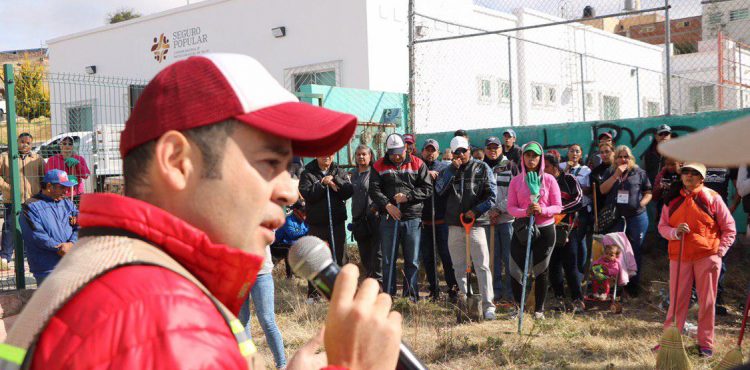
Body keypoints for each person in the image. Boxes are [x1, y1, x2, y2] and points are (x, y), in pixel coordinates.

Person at [7, 54, 402, 370]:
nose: (289, 189)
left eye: (292, 168)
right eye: (269, 162)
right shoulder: (164, 323)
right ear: (178, 162)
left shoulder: (121, 275)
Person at [656, 163, 736, 358]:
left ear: (702, 177)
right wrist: (674, 232)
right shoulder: (672, 198)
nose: (689, 176)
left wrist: (720, 251)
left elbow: (729, 228)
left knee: (707, 303)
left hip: (707, 257)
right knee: (676, 302)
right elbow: (662, 226)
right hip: (679, 256)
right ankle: (669, 342)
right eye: (686, 172)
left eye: (694, 173)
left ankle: (705, 345)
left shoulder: (712, 198)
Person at [435, 135, 497, 320]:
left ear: (469, 149)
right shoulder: (448, 170)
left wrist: (475, 211)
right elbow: (439, 190)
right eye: (457, 152)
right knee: (459, 267)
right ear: (452, 153)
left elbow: (491, 196)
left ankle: (488, 306)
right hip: (454, 225)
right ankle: (468, 302)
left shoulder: (482, 167)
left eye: (464, 150)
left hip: (475, 224)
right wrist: (452, 170)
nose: (461, 154)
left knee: (482, 266)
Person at [370, 133, 432, 300]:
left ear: (405, 148)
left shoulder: (418, 163)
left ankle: (410, 296)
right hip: (389, 218)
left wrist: (408, 197)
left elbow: (427, 188)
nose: (396, 157)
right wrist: (388, 205)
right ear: (387, 151)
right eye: (392, 153)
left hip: (412, 217)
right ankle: (388, 295)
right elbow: (374, 189)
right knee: (388, 259)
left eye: (399, 152)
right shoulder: (378, 165)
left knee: (412, 260)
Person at [507, 142, 562, 320]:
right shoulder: (516, 181)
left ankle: (538, 310)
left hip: (545, 228)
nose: (531, 159)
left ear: (541, 158)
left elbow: (558, 206)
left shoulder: (549, 179)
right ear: (522, 157)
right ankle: (518, 308)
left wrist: (542, 210)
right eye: (528, 155)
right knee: (515, 269)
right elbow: (511, 208)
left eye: (535, 156)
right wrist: (526, 211)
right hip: (523, 228)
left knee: (541, 270)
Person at [599, 145, 652, 296]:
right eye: (620, 157)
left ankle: (633, 286)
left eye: (626, 156)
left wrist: (641, 203)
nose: (623, 159)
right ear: (615, 159)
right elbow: (602, 190)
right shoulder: (610, 172)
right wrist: (616, 174)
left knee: (634, 250)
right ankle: (617, 286)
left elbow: (649, 192)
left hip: (637, 217)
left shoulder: (639, 173)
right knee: (615, 251)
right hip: (616, 218)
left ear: (631, 158)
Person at [299, 154, 353, 301]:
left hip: (336, 223)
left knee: (340, 258)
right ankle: (314, 294)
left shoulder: (338, 170)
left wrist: (334, 180)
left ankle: (341, 293)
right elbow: (307, 194)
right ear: (317, 156)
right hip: (317, 223)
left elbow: (348, 191)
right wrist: (322, 183)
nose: (327, 157)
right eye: (323, 154)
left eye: (330, 154)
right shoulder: (307, 172)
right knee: (314, 258)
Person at [19, 169, 79, 285]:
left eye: (67, 187)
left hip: (71, 263)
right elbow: (36, 236)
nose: (66, 191)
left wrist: (72, 243)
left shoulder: (68, 203)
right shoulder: (30, 207)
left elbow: (80, 224)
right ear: (49, 186)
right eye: (62, 187)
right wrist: (60, 248)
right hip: (47, 268)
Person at [543, 154, 585, 312]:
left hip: (568, 229)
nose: (543, 170)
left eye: (546, 166)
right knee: (553, 265)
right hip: (548, 229)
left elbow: (579, 200)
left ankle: (577, 299)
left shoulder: (569, 180)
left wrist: (558, 210)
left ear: (555, 167)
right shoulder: (542, 182)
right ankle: (559, 298)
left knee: (570, 265)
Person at [419, 139, 457, 301]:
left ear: (438, 152)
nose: (430, 153)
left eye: (433, 150)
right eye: (427, 150)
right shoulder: (418, 167)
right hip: (424, 222)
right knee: (428, 258)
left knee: (446, 257)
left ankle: (452, 288)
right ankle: (434, 290)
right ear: (422, 152)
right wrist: (426, 175)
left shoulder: (444, 168)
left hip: (442, 222)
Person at [0, 132, 45, 270]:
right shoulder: (5, 157)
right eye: (22, 141)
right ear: (17, 141)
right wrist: (8, 188)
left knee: (30, 227)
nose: (25, 145)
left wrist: (39, 194)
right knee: (9, 228)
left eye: (28, 143)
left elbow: (43, 177)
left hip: (32, 199)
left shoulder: (37, 159)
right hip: (12, 199)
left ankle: (26, 255)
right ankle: (5, 257)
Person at [238, 245, 286, 369]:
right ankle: (249, 364)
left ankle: (282, 365)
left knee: (267, 321)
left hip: (261, 274)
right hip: (237, 274)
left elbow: (271, 235)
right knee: (241, 323)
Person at [484, 136, 515, 303]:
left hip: (507, 220)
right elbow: (480, 193)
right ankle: (495, 291)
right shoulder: (481, 167)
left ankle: (510, 293)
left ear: (501, 149)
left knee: (509, 258)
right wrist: (490, 212)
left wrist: (498, 209)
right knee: (492, 259)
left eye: (495, 147)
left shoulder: (510, 166)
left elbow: (514, 192)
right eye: (489, 148)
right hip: (488, 220)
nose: (492, 150)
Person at [350, 144, 382, 283]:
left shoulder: (376, 172)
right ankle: (370, 282)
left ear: (370, 156)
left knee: (377, 254)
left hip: (374, 219)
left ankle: (379, 283)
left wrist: (375, 207)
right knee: (364, 254)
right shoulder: (353, 174)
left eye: (364, 154)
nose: (361, 157)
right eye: (358, 154)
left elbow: (382, 193)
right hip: (358, 221)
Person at [561, 143, 592, 275]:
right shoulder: (561, 167)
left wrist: (575, 189)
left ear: (580, 154)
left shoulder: (586, 170)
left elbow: (589, 189)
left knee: (580, 239)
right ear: (568, 153)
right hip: (564, 210)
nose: (574, 154)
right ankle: (567, 270)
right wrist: (566, 169)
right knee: (565, 240)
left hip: (581, 209)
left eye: (577, 151)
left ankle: (581, 271)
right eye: (572, 151)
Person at [44, 135, 91, 202]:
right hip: (59, 194)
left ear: (72, 146)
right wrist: (65, 178)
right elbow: (49, 177)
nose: (67, 146)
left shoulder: (79, 159)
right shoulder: (53, 160)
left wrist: (78, 164)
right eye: (64, 143)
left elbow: (86, 175)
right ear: (60, 145)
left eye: (70, 144)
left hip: (76, 193)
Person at [272, 200, 309, 278]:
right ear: (295, 210)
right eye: (303, 210)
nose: (305, 212)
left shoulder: (305, 221)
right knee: (289, 249)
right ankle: (290, 276)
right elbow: (292, 235)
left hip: (294, 244)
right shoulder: (288, 220)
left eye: (306, 210)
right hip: (277, 246)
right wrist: (308, 230)